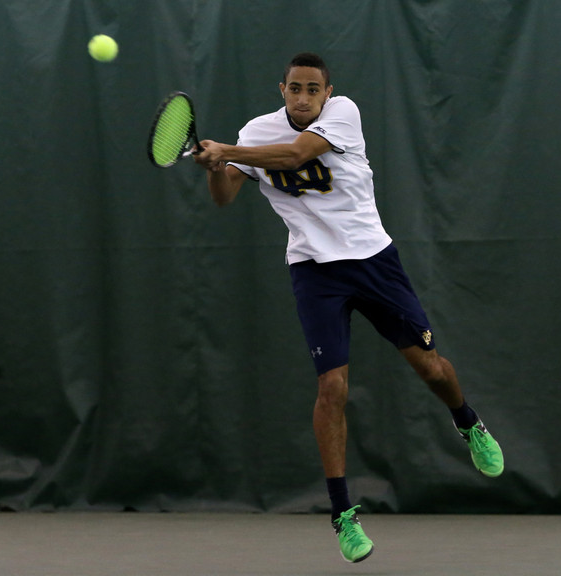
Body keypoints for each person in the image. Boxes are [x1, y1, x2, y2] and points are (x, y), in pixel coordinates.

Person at [192, 52, 504, 563]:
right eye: (295, 88)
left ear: (327, 94)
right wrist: (218, 165)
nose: (303, 97)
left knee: (429, 368)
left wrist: (231, 149)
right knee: (331, 386)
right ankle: (343, 514)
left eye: (313, 89)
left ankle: (467, 421)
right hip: (314, 272)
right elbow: (224, 197)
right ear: (282, 89)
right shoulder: (254, 131)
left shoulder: (344, 114)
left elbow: (294, 157)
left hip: (373, 261)